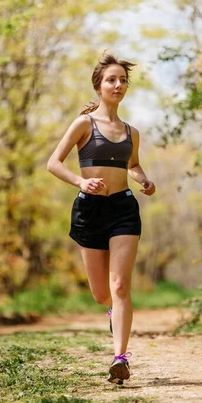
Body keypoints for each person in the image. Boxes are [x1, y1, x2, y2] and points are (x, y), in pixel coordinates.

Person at [47, 52, 156, 385]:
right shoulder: (84, 124)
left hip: (123, 209)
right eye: (112, 79)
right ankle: (113, 313)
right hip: (89, 211)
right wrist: (81, 182)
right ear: (99, 85)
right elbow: (54, 162)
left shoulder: (131, 132)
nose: (118, 84)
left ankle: (120, 357)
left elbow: (132, 164)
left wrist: (143, 180)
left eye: (123, 80)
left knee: (120, 285)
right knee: (101, 293)